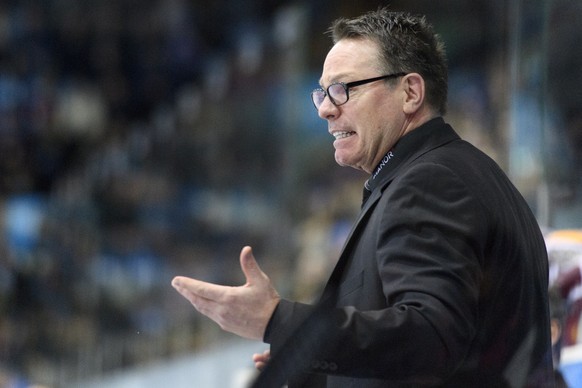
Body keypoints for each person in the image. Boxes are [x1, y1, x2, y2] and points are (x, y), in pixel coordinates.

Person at [172, 8, 554, 387]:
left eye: (343, 89)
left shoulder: (430, 182)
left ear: (410, 92)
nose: (325, 109)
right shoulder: (454, 172)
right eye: (322, 92)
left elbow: (431, 339)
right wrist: (310, 365)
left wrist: (278, 321)